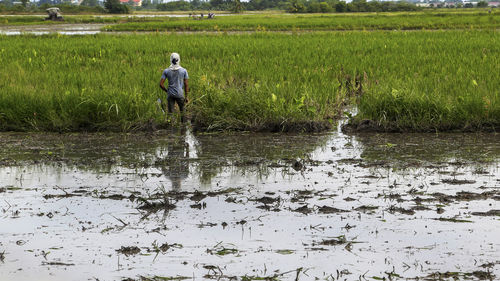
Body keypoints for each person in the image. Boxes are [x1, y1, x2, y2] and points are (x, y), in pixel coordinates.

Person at [159, 53, 189, 123]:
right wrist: (187, 96)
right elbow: (186, 84)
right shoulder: (184, 71)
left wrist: (167, 91)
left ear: (171, 60)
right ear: (179, 60)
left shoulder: (166, 71)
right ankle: (183, 128)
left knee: (170, 114)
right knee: (183, 112)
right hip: (180, 93)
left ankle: (171, 129)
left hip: (170, 94)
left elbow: (161, 84)